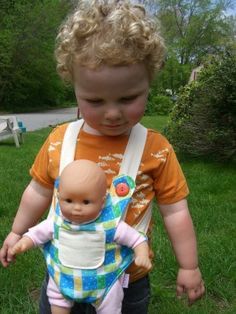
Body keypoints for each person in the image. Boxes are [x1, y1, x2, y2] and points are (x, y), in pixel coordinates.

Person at [0, 1, 205, 313]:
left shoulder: (155, 149)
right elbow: (38, 190)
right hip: (64, 272)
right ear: (74, 87)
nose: (112, 114)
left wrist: (188, 266)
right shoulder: (59, 141)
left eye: (128, 98)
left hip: (125, 281)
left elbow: (175, 211)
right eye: (94, 100)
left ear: (149, 82)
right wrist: (17, 232)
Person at [9, 159, 152, 314]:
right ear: (58, 196)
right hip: (63, 279)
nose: (76, 208)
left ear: (102, 201)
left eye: (86, 202)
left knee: (111, 302)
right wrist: (24, 242)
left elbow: (136, 238)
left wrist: (142, 253)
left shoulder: (110, 224)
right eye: (69, 200)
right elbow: (36, 234)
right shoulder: (57, 222)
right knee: (56, 296)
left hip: (103, 284)